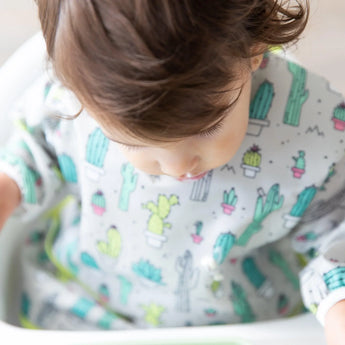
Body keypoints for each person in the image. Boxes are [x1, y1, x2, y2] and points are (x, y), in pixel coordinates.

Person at [1, 0, 345, 342]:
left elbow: (335, 229)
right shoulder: (79, 94)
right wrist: (7, 188)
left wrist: (338, 305)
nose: (177, 166)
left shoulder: (311, 129)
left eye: (208, 128)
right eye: (133, 142)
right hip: (89, 306)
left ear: (253, 50)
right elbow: (35, 151)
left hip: (243, 320)